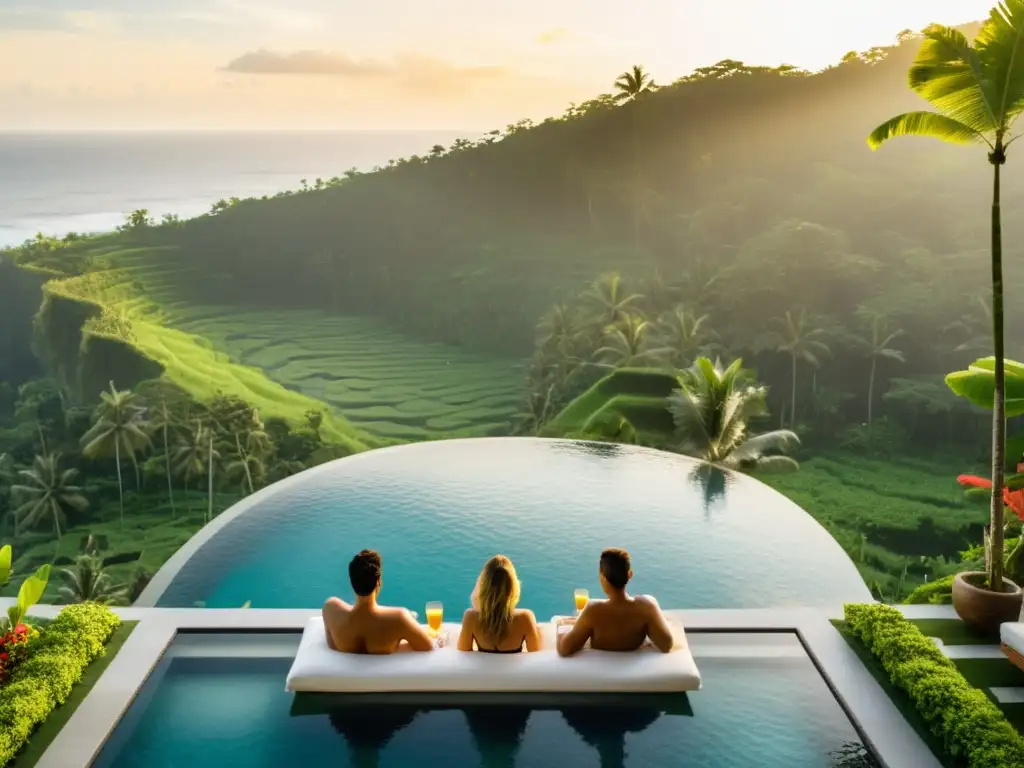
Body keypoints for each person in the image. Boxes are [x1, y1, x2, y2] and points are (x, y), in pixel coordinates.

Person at [557, 548, 674, 657]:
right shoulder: (647, 606)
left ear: (602, 577)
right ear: (630, 574)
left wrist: (561, 627)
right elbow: (666, 645)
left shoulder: (593, 610)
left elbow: (564, 649)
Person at [322, 549, 436, 654]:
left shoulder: (330, 609)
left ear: (352, 582)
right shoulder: (399, 618)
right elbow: (427, 646)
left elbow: (332, 646)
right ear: (378, 583)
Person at [458, 555, 543, 653]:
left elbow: (462, 653)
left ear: (483, 585)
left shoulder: (471, 618)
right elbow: (535, 654)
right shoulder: (525, 618)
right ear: (513, 587)